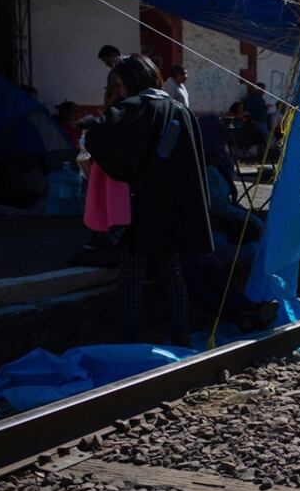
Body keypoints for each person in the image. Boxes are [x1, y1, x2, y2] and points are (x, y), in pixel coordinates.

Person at [84, 54, 212, 347]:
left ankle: (129, 341)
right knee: (172, 272)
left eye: (120, 85)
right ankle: (181, 336)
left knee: (131, 275)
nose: (119, 91)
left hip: (140, 207)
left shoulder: (132, 109)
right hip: (176, 209)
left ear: (130, 81)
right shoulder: (181, 110)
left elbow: (98, 139)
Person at [97, 44, 122, 110]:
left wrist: (108, 105)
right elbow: (109, 91)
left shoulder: (127, 71)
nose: (106, 64)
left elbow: (117, 91)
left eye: (106, 61)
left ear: (114, 57)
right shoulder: (111, 74)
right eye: (104, 61)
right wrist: (106, 104)